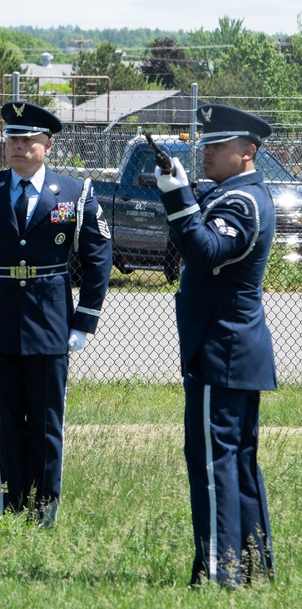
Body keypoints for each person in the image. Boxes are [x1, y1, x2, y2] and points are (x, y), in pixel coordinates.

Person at [0, 101, 112, 527]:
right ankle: (10, 509)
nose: (17, 146)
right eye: (11, 138)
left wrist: (84, 321)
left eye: (27, 139)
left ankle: (45, 512)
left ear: (47, 145)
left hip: (51, 321)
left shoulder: (75, 193)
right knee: (7, 421)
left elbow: (98, 259)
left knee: (46, 422)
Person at [155, 104, 276, 588]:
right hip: (233, 350)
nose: (206, 152)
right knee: (237, 461)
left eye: (218, 146)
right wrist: (183, 191)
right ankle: (252, 569)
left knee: (213, 461)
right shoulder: (232, 194)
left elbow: (205, 253)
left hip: (222, 349)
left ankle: (220, 570)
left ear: (247, 152)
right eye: (204, 144)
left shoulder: (242, 203)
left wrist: (179, 198)